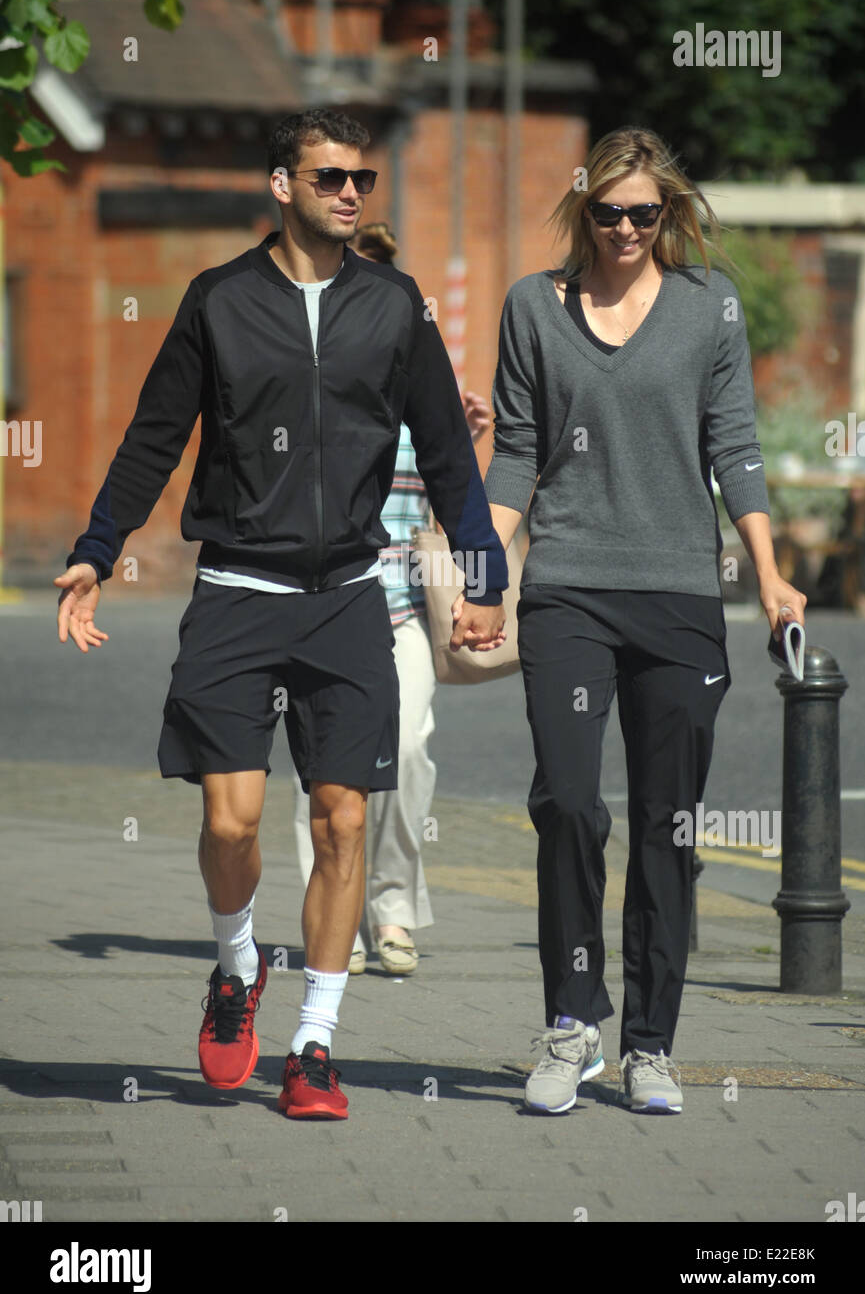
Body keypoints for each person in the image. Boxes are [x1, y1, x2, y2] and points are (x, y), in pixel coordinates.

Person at [55, 108, 506, 1122]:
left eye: (362, 179)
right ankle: (234, 966)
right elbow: (152, 437)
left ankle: (313, 1044)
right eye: (330, 177)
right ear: (281, 185)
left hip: (348, 598)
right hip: (237, 595)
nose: (350, 193)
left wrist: (482, 577)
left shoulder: (394, 306)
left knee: (344, 818)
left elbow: (443, 448)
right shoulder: (218, 301)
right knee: (232, 821)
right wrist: (95, 551)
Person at [479, 125, 806, 1115]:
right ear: (584, 210)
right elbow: (515, 454)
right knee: (569, 806)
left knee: (665, 827)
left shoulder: (709, 308)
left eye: (644, 213)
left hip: (677, 597)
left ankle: (649, 1045)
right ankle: (572, 1024)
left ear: (669, 213)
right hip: (567, 588)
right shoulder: (533, 307)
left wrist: (773, 574)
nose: (625, 229)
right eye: (608, 212)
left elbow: (735, 445)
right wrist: (485, 571)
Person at [291, 221, 492, 976]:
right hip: (312, 606)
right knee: (322, 774)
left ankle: (394, 913)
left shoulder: (416, 383)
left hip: (397, 607)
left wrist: (462, 441)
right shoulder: (303, 383)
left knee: (405, 753)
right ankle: (329, 914)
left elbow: (445, 495)